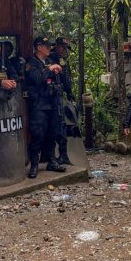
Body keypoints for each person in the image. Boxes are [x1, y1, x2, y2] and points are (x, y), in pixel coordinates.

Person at [25, 36, 67, 178]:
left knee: (52, 132)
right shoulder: (31, 62)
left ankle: (51, 160)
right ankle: (34, 164)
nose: (49, 49)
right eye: (46, 46)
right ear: (39, 47)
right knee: (38, 134)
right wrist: (50, 69)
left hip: (52, 102)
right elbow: (36, 78)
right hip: (39, 104)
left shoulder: (49, 61)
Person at [44, 37, 74, 165]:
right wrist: (69, 92)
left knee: (58, 125)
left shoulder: (52, 57)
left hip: (53, 94)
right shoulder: (54, 58)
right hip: (53, 95)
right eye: (62, 47)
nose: (63, 50)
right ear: (56, 45)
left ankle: (60, 155)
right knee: (59, 125)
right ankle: (61, 155)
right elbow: (64, 79)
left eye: (65, 48)